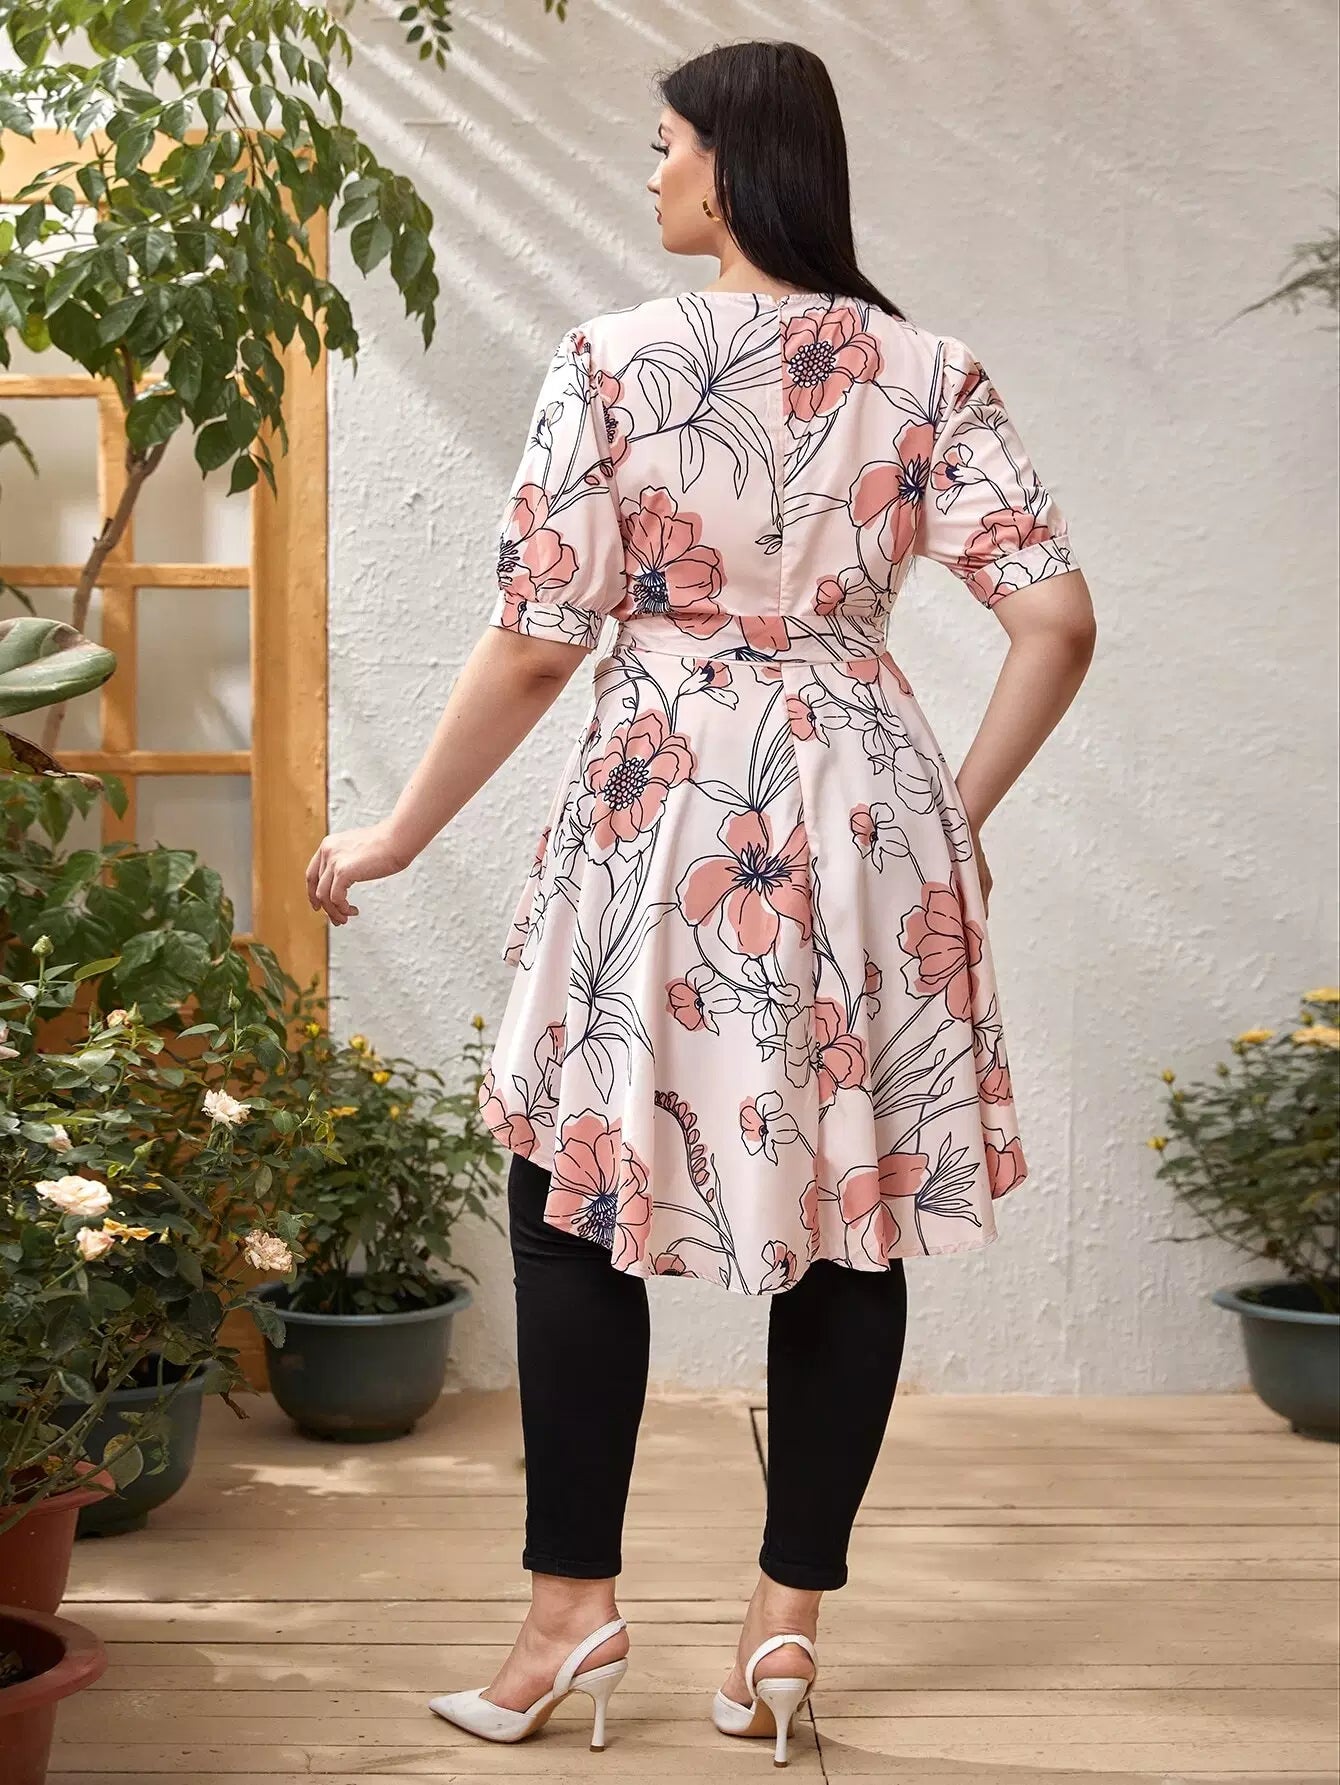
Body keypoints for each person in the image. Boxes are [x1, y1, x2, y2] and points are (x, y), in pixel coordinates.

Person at [305, 37, 1097, 1764]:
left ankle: (567, 1613)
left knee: (568, 1185)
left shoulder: (614, 361)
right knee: (855, 1201)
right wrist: (950, 822)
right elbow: (1057, 623)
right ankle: (784, 1626)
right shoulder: (934, 372)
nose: (648, 171)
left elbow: (537, 646)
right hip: (868, 808)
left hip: (665, 800)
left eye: (662, 143)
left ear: (731, 163)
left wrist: (398, 832)